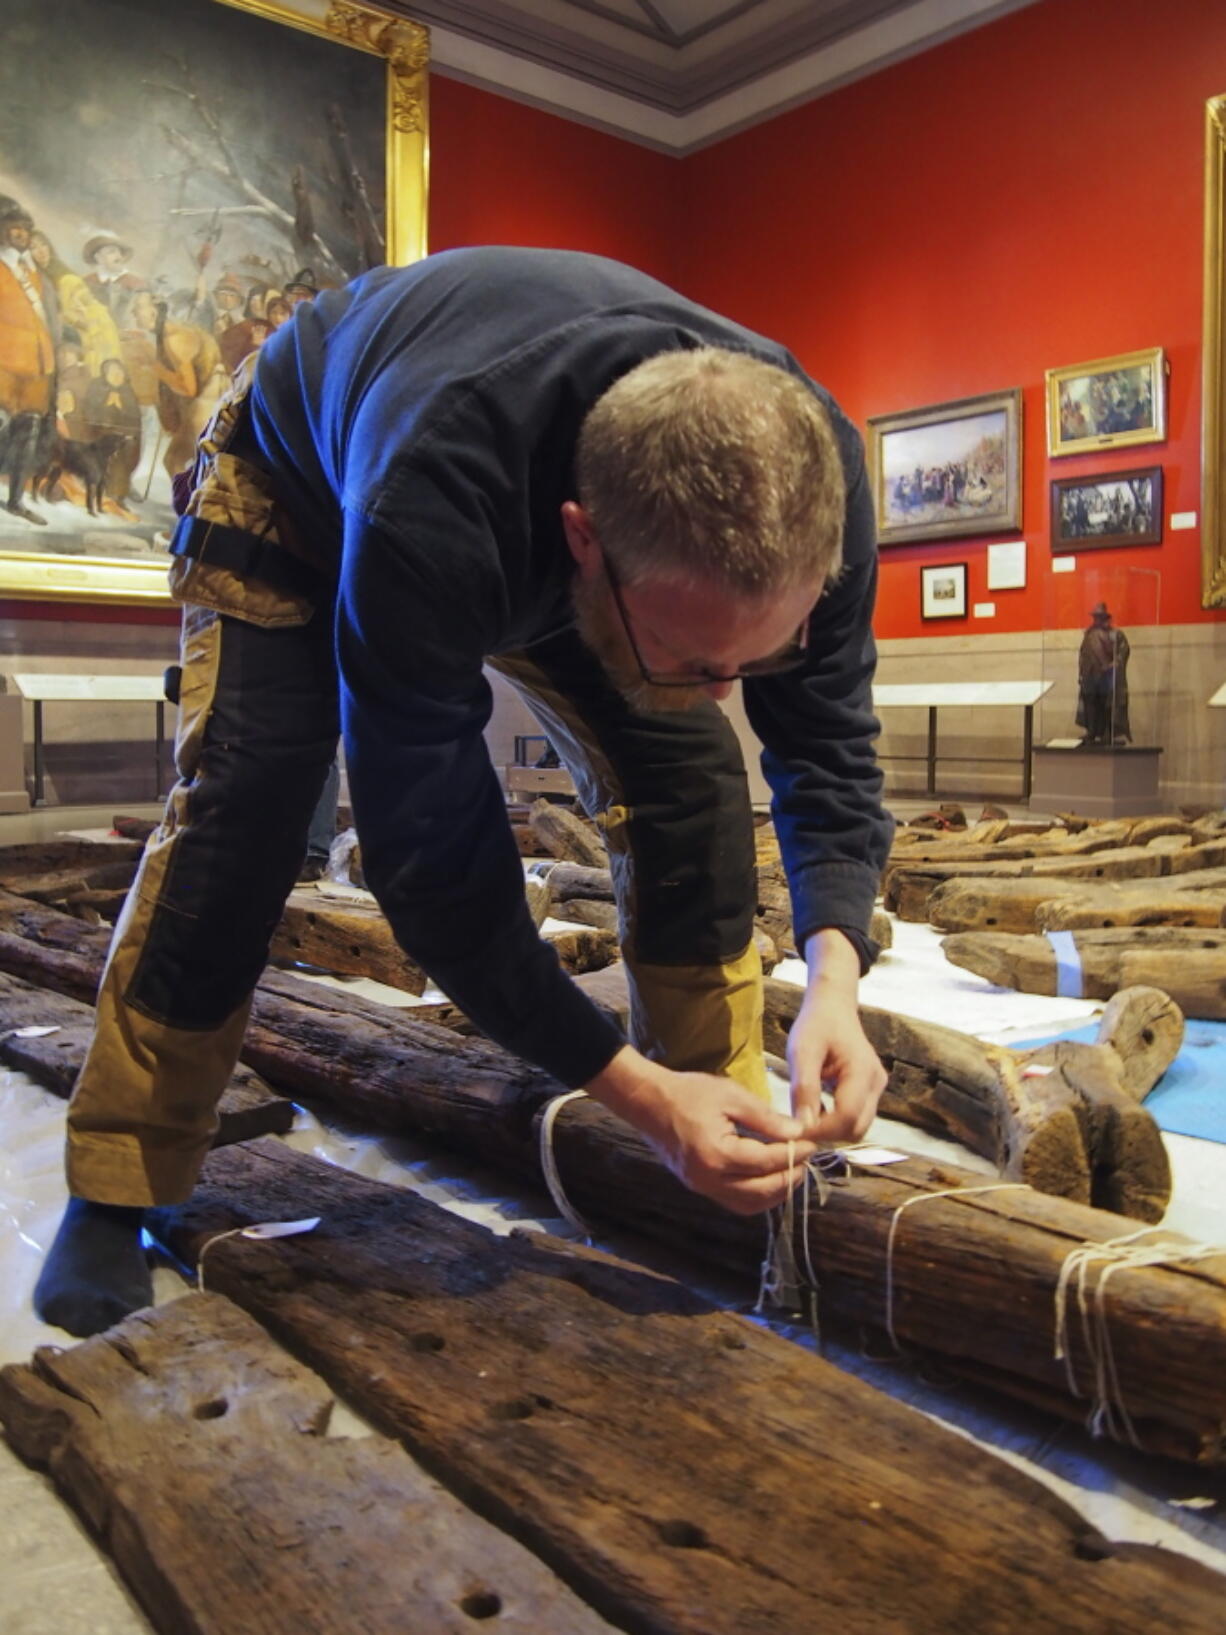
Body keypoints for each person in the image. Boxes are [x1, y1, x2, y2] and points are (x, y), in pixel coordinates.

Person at [34, 246, 893, 1338]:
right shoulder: (430, 498)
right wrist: (622, 1090)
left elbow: (826, 750)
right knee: (246, 811)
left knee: (691, 778)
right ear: (583, 543)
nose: (725, 691)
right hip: (298, 476)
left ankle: (723, 1122)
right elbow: (431, 863)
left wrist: (832, 979)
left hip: (544, 517)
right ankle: (117, 1178)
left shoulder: (816, 482)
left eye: (755, 660)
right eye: (694, 657)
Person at [1076, 602, 1131, 745]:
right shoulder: (1088, 635)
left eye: (1100, 617)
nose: (1097, 620)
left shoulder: (1115, 634)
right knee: (1090, 704)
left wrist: (1116, 663)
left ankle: (1108, 731)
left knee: (1107, 704)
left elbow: (1124, 651)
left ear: (1105, 617)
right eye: (1095, 617)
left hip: (1107, 675)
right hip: (1090, 675)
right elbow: (1083, 655)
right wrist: (1081, 673)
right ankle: (1092, 731)